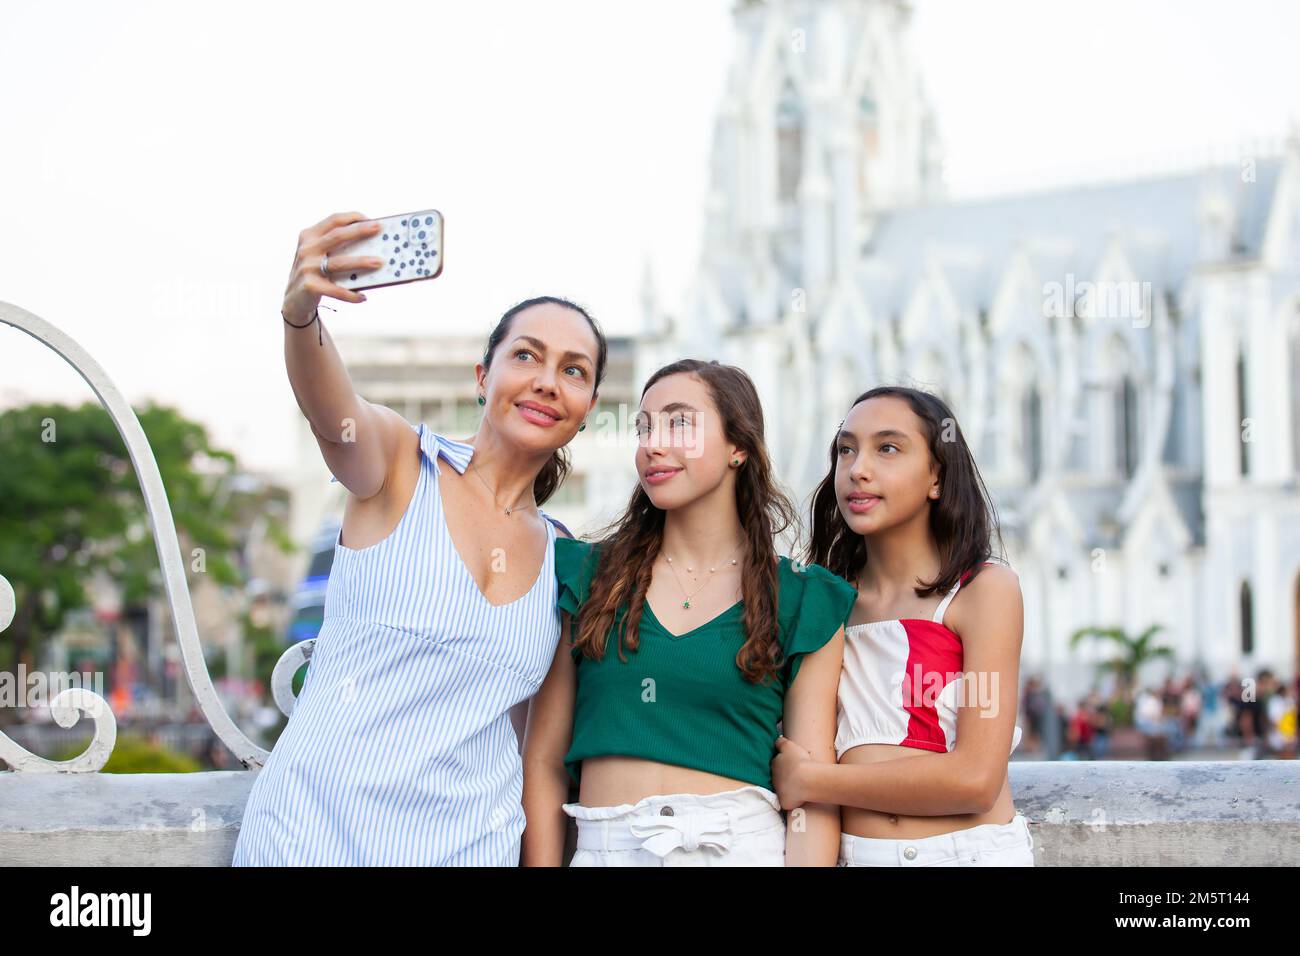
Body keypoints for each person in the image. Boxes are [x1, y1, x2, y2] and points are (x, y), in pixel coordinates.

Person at [232, 211, 607, 865]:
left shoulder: (563, 557)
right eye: (526, 356)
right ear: (483, 376)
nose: (548, 380)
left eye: (574, 370)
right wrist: (301, 316)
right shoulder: (403, 463)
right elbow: (333, 413)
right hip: (310, 839)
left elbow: (533, 752)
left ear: (588, 407)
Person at [520, 359, 854, 866]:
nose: (653, 444)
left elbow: (811, 793)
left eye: (679, 423)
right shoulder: (587, 576)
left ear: (738, 447)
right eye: (644, 427)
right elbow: (544, 761)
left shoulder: (804, 599)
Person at [773, 385, 1034, 866]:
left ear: (937, 476)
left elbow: (975, 779)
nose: (858, 469)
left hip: (966, 855)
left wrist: (810, 780)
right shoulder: (826, 603)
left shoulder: (983, 591)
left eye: (887, 448)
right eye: (846, 449)